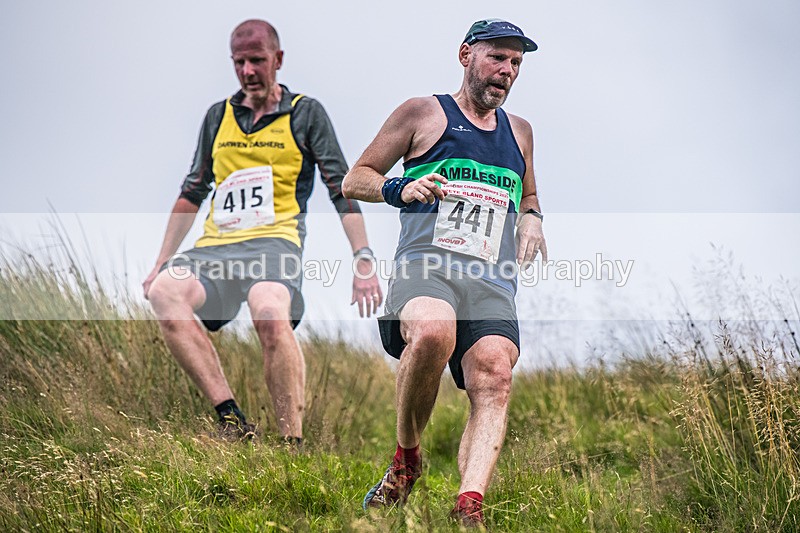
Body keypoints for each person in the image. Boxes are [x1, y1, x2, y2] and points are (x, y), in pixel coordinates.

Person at [342, 19, 547, 526]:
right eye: (497, 57)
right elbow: (356, 178)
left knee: (496, 374)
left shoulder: (520, 132)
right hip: (426, 265)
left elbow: (529, 195)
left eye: (516, 63)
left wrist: (532, 219)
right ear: (466, 55)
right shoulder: (422, 113)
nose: (507, 70)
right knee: (434, 332)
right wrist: (398, 189)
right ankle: (406, 459)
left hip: (491, 279)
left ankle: (468, 508)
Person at [142, 19, 382, 445]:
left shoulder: (306, 113)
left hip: (274, 244)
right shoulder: (218, 116)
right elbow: (192, 190)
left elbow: (340, 188)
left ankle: (291, 445)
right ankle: (231, 420)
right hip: (216, 247)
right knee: (164, 291)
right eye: (239, 63)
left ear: (278, 59)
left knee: (269, 311)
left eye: (256, 60)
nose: (248, 71)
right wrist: (161, 261)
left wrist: (362, 258)